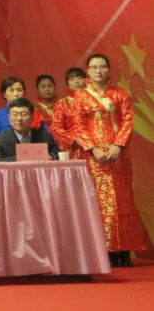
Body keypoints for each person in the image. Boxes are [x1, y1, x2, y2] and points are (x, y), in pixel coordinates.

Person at [71, 53, 146, 267]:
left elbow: (128, 120)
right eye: (94, 67)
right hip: (94, 156)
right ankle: (106, 250)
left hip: (117, 155)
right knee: (101, 201)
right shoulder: (81, 96)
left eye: (102, 66)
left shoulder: (119, 93)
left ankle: (125, 249)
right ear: (88, 71)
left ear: (108, 69)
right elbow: (78, 126)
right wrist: (92, 149)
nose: (98, 71)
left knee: (122, 200)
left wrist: (118, 145)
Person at [0, 98, 58, 162]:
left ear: (32, 117)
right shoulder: (0, 140)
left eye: (24, 114)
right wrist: (29, 157)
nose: (19, 118)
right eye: (15, 114)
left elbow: (57, 156)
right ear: (9, 118)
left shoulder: (45, 137)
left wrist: (51, 157)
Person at [0, 77, 39, 144]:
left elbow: (43, 137)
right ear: (4, 94)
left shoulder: (33, 114)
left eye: (19, 90)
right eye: (11, 90)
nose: (16, 94)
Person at [50, 67, 87, 153]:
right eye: (72, 79)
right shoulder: (63, 103)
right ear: (67, 84)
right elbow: (56, 128)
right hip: (74, 148)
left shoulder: (94, 102)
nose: (76, 81)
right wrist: (73, 139)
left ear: (86, 81)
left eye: (80, 78)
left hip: (95, 146)